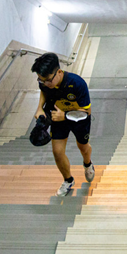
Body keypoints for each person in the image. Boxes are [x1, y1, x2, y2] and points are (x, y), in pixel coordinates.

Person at [32, 52, 94, 197]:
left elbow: (87, 111)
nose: (45, 83)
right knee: (57, 152)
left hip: (79, 119)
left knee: (83, 148)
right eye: (41, 80)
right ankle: (68, 180)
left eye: (47, 80)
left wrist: (65, 116)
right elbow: (44, 91)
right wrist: (40, 107)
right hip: (58, 118)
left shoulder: (77, 83)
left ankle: (88, 164)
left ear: (59, 72)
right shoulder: (45, 82)